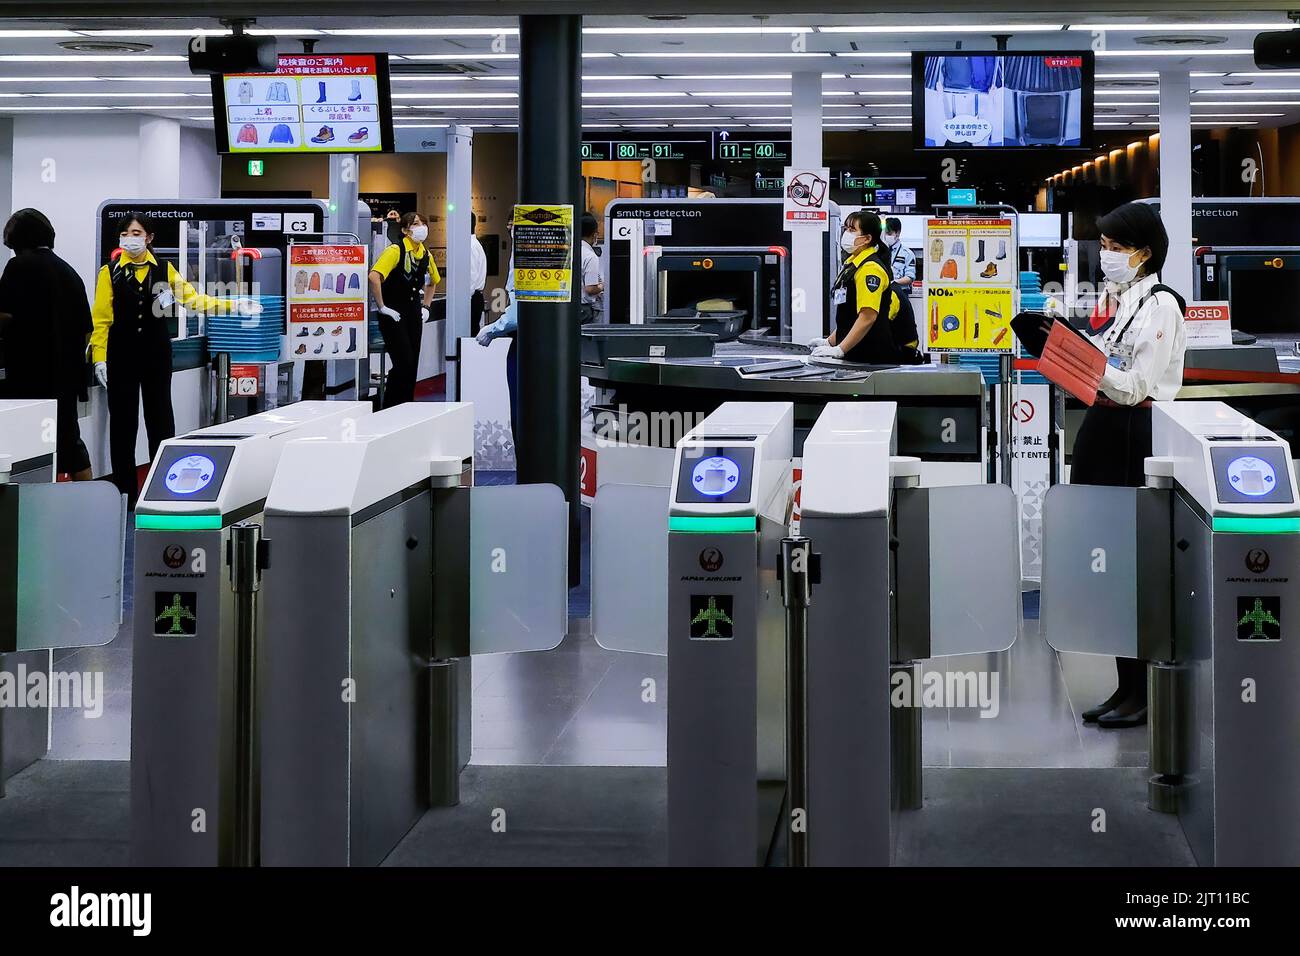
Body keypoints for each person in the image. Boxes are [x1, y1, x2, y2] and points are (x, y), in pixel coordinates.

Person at [1071, 200, 1186, 729]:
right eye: (1105, 247)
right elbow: (1110, 359)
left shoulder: (1162, 306)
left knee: (1133, 567)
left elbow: (1137, 384)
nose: (1106, 257)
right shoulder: (1126, 303)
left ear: (1142, 251)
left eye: (1115, 249)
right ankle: (1124, 687)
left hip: (1132, 437)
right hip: (1105, 433)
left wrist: (1084, 364)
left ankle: (1142, 692)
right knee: (1111, 569)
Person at [90, 214, 254, 507]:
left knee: (161, 420)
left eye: (137, 232)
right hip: (121, 356)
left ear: (149, 238)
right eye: (126, 233)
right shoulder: (110, 272)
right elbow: (101, 321)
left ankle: (161, 485)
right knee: (123, 426)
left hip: (156, 355)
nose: (131, 238)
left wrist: (232, 304)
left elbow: (194, 300)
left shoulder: (165, 270)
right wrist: (99, 358)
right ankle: (125, 495)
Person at [0, 208, 93, 480]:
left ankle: (30, 504)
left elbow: (4, 315)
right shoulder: (68, 271)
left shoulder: (19, 267)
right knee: (69, 442)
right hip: (66, 376)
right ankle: (86, 503)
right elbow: (86, 328)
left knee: (27, 446)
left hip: (29, 375)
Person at [809, 211, 922, 364]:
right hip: (858, 354)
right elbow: (850, 317)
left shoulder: (870, 269)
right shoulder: (852, 264)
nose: (847, 234)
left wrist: (840, 349)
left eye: (852, 230)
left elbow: (867, 316)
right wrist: (830, 342)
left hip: (870, 357)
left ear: (867, 238)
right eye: (846, 229)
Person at [369, 211, 441, 408]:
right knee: (403, 362)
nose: (421, 227)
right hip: (393, 313)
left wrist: (426, 305)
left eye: (423, 223)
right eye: (416, 223)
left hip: (413, 312)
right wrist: (382, 306)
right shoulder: (395, 250)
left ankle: (407, 405)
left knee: (413, 363)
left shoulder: (425, 253)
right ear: (404, 229)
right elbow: (374, 276)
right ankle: (392, 406)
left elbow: (433, 282)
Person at [579, 212, 604, 323]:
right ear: (594, 235)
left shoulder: (569, 250)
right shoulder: (590, 256)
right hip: (584, 310)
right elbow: (590, 289)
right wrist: (601, 286)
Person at [882, 217, 916, 290]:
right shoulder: (878, 251)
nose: (886, 236)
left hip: (900, 291)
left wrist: (893, 282)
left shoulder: (907, 254)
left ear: (898, 233)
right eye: (884, 233)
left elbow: (910, 277)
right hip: (883, 292)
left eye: (889, 233)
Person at [469, 211, 488, 335]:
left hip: (471, 298)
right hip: (475, 297)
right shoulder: (475, 244)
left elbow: (471, 276)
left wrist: (464, 300)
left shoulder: (469, 246)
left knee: (468, 337)